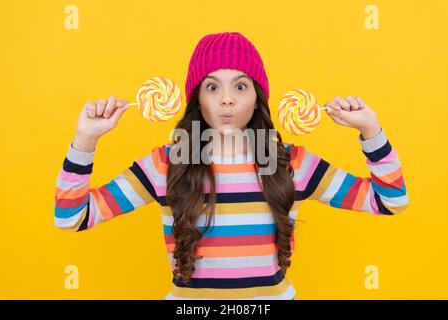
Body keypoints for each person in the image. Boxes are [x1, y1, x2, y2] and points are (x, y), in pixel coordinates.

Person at [54, 32, 408, 300]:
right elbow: (72, 218)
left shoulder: (292, 163)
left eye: (240, 85)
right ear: (198, 99)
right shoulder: (166, 164)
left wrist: (370, 131)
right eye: (212, 87)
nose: (226, 98)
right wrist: (86, 139)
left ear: (257, 98)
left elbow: (390, 201)